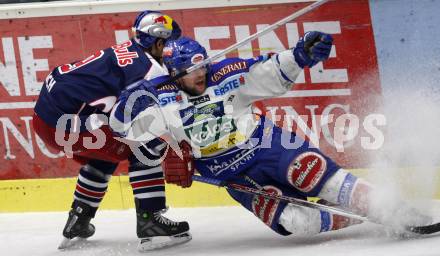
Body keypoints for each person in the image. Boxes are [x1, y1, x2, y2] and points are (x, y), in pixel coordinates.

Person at [110, 34, 432, 238]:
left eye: (202, 67)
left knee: (317, 177)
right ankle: (360, 215)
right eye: (192, 71)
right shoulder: (158, 96)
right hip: (228, 173)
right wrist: (128, 110)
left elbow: (269, 71)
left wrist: (302, 56)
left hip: (266, 147)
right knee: (297, 223)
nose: (201, 74)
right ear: (174, 72)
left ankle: (394, 209)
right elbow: (124, 129)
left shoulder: (225, 75)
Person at [33, 10, 191, 251]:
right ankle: (150, 222)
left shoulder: (129, 49)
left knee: (108, 149)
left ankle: (79, 218)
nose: (171, 49)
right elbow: (127, 117)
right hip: (66, 124)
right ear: (158, 42)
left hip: (44, 117)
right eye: (168, 43)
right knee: (145, 144)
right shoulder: (150, 70)